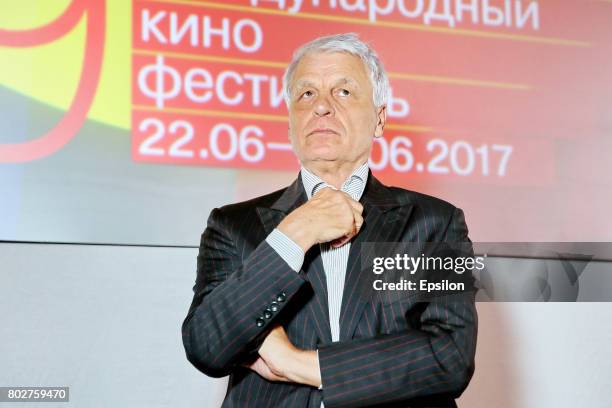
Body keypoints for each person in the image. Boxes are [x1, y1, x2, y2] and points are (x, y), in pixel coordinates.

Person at [182, 33, 477, 408]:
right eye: (306, 94)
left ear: (379, 119)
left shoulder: (435, 223)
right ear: (289, 124)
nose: (321, 106)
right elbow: (206, 347)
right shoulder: (233, 225)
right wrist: (294, 233)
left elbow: (450, 356)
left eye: (343, 92)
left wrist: (298, 364)